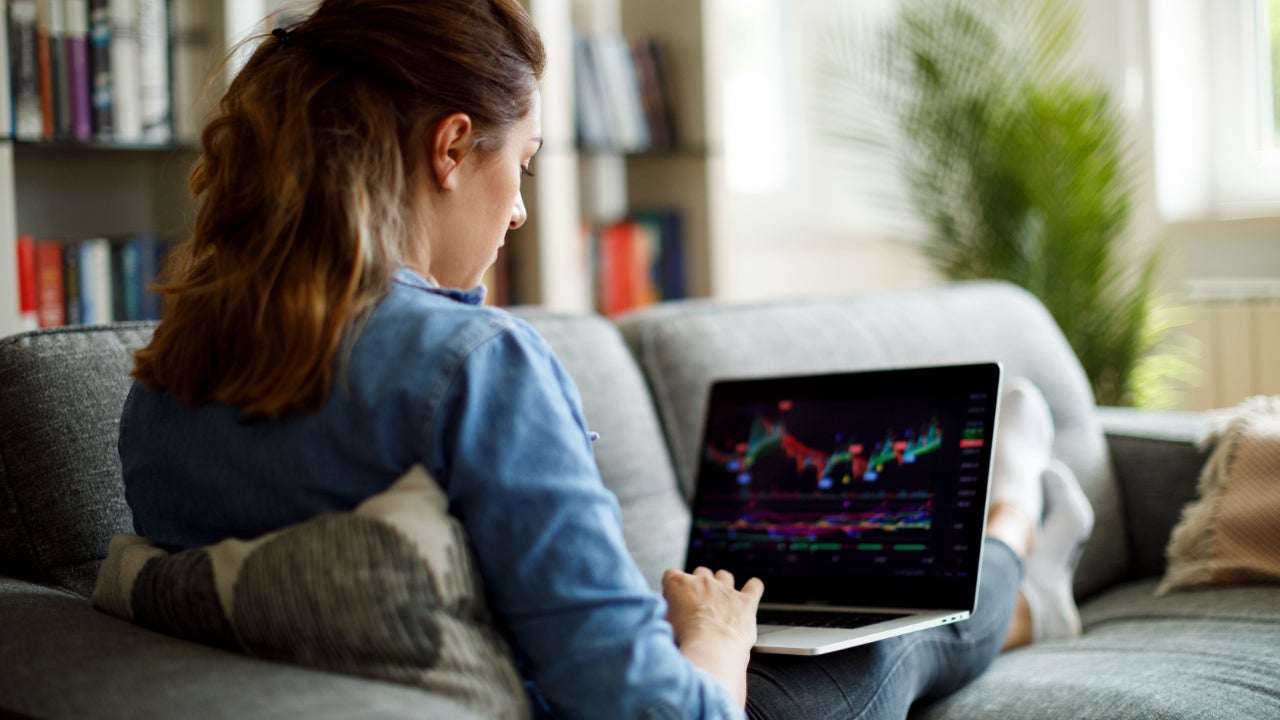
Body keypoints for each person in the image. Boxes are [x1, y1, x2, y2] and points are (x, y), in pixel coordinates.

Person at [118, 1, 1094, 719]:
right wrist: (710, 641)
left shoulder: (163, 384)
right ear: (451, 148)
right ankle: (1014, 528)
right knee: (900, 639)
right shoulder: (473, 364)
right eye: (523, 165)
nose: (518, 210)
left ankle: (1011, 544)